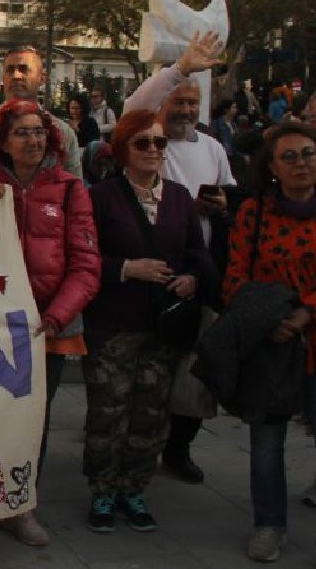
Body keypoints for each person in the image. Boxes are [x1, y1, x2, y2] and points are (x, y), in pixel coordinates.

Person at [0, 98, 101, 548]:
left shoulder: (69, 189)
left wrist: (57, 315)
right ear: (2, 142)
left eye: (39, 132)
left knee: (32, 422)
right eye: (21, 132)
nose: (33, 140)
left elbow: (86, 264)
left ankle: (21, 506)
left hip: (50, 330)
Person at [225, 124, 316, 568]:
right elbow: (235, 279)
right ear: (271, 167)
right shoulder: (255, 213)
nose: (301, 163)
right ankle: (269, 525)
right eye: (289, 156)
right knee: (267, 445)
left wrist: (309, 312)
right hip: (273, 346)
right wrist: (272, 322)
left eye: (308, 154)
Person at [83, 110, 214, 533]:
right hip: (113, 326)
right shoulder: (101, 198)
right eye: (144, 143)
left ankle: (134, 489)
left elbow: (197, 252)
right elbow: (84, 260)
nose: (154, 150)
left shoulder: (178, 197)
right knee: (108, 412)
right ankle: (103, 491)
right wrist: (126, 268)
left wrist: (193, 279)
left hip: (164, 327)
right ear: (123, 149)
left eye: (160, 143)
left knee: (150, 414)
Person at [121, 31, 233, 484]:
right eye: (178, 101)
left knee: (193, 373)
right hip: (151, 275)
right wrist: (180, 69)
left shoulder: (214, 148)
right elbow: (136, 106)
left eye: (192, 103)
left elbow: (232, 196)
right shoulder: (148, 140)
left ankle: (179, 448)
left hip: (198, 273)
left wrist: (222, 207)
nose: (185, 110)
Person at [0, 47, 83, 178]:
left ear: (42, 78)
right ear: (3, 78)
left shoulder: (63, 133)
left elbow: (76, 191)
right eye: (10, 70)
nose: (16, 76)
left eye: (24, 69)